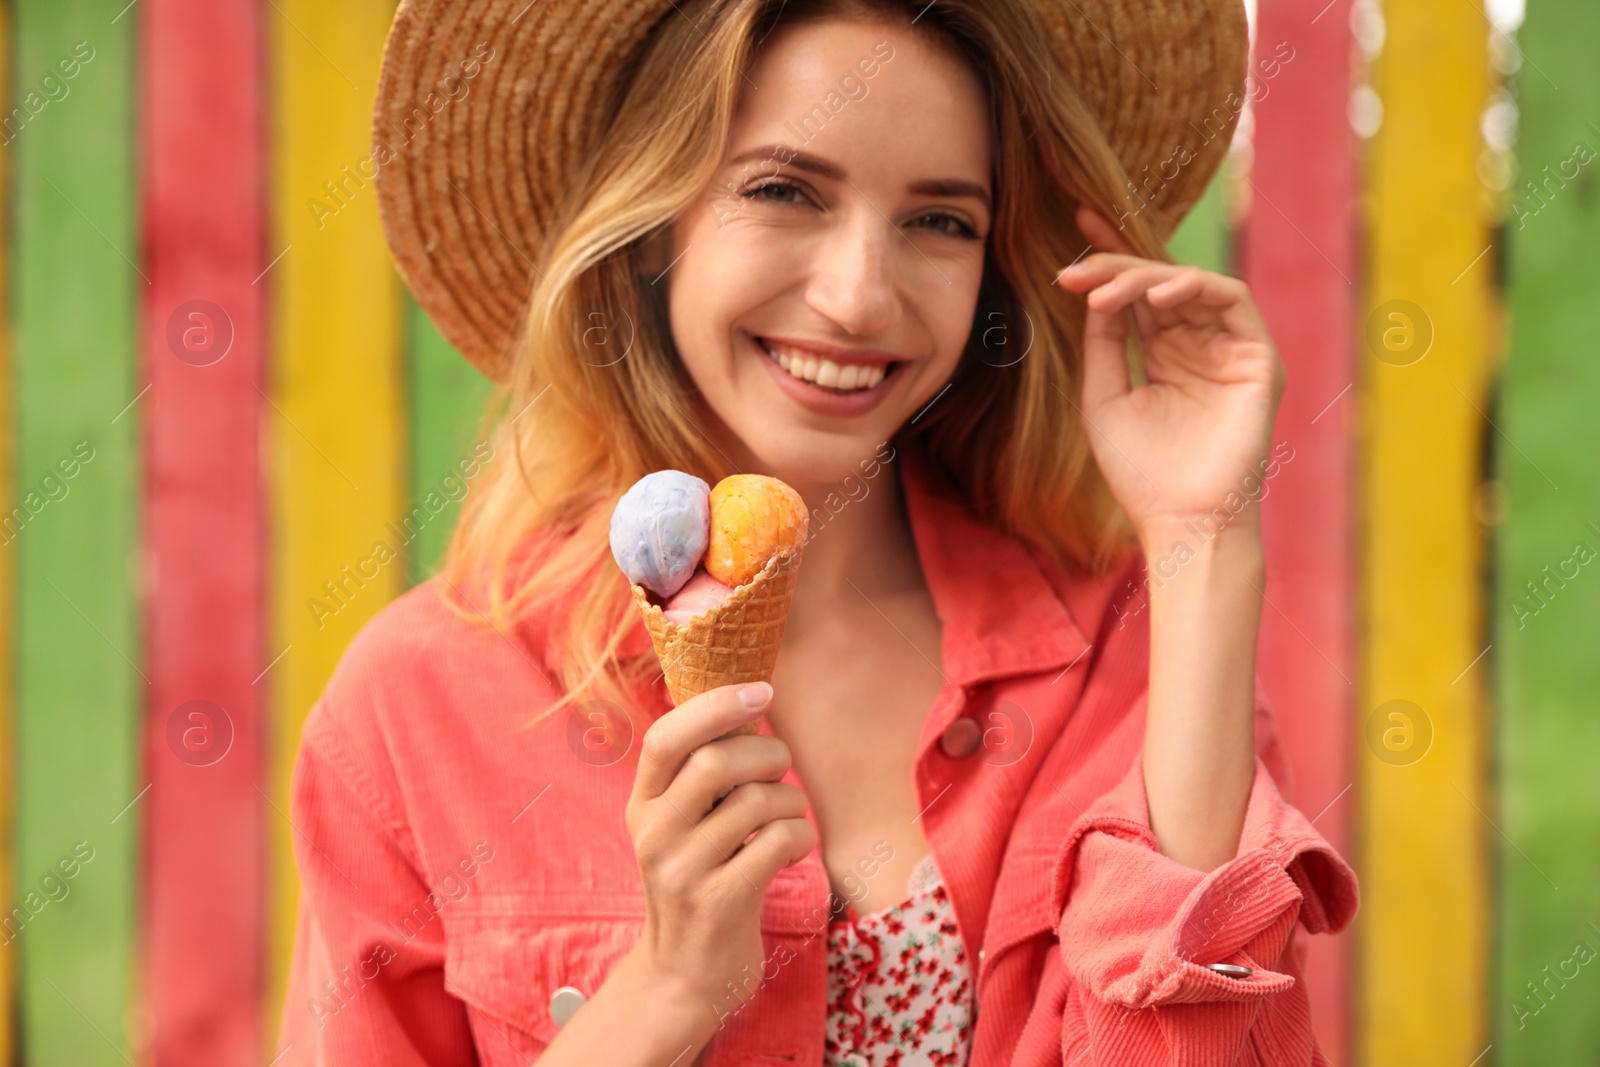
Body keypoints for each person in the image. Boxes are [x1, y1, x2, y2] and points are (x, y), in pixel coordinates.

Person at [277, 0, 1358, 1064]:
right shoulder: (415, 706)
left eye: (940, 219)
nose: (855, 296)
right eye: (784, 190)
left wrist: (1204, 532)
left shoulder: (1135, 660)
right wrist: (663, 992)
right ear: (657, 224)